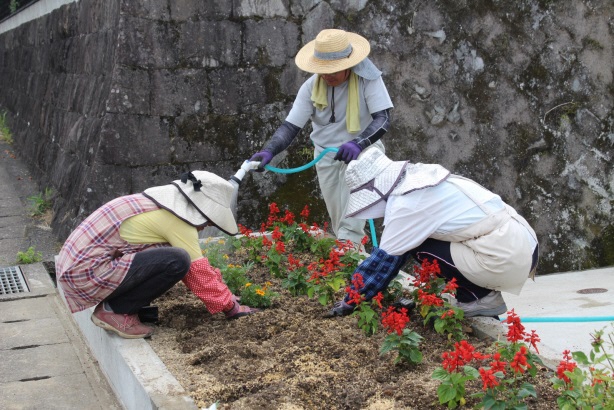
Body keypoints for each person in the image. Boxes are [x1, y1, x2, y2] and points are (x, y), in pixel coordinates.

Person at [326, 149, 539, 318]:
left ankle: (478, 297)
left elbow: (383, 261)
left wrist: (351, 300)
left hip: (506, 254)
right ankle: (476, 294)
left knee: (417, 245)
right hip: (521, 242)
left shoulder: (407, 204)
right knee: (417, 239)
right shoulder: (418, 178)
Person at [56, 171, 259, 339]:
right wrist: (231, 307)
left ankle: (121, 306)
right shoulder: (178, 221)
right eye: (210, 221)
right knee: (178, 261)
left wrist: (225, 292)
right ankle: (114, 311)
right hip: (84, 273)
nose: (206, 226)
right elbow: (196, 272)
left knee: (164, 256)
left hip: (74, 266)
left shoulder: (156, 203)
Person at [249, 28, 394, 249]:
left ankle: (350, 249)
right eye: (323, 70)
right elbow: (290, 126)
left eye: (334, 70)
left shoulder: (368, 80)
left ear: (347, 64)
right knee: (339, 218)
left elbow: (382, 119)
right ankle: (353, 256)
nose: (328, 75)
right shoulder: (310, 87)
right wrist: (270, 150)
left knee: (351, 222)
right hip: (326, 156)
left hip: (363, 152)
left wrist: (359, 143)